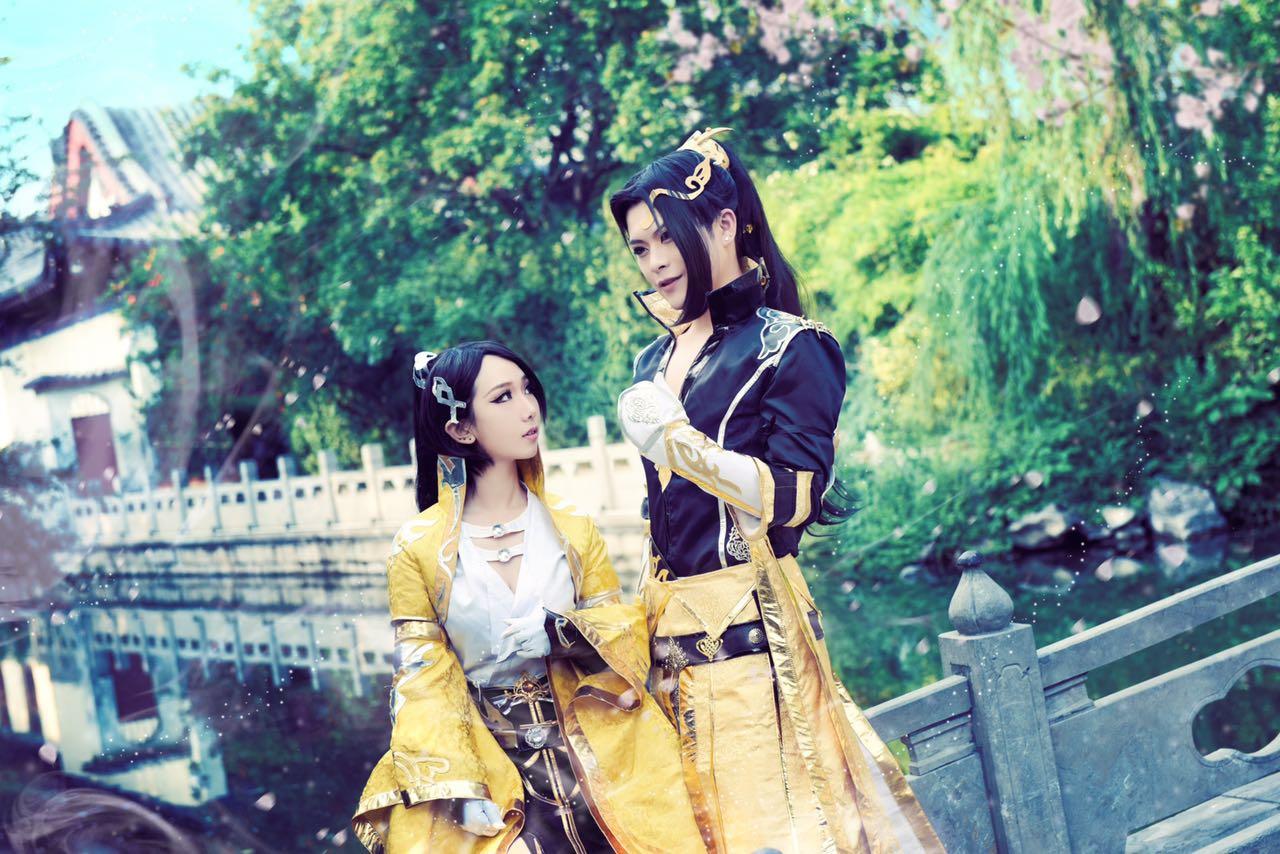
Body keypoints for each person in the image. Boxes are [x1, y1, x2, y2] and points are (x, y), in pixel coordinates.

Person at [609, 129, 944, 852]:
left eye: (667, 236)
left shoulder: (794, 346)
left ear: (725, 224)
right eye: (639, 247)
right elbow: (662, 522)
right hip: (668, 653)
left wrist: (682, 448)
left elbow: (795, 499)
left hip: (756, 645)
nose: (655, 260)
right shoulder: (650, 360)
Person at [351, 341, 703, 854]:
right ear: (461, 429)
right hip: (489, 758)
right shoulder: (418, 548)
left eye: (527, 390)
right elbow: (421, 676)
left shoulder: (572, 527)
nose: (528, 407)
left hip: (593, 743)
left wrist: (563, 633)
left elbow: (623, 631)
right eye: (503, 397)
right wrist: (459, 787)